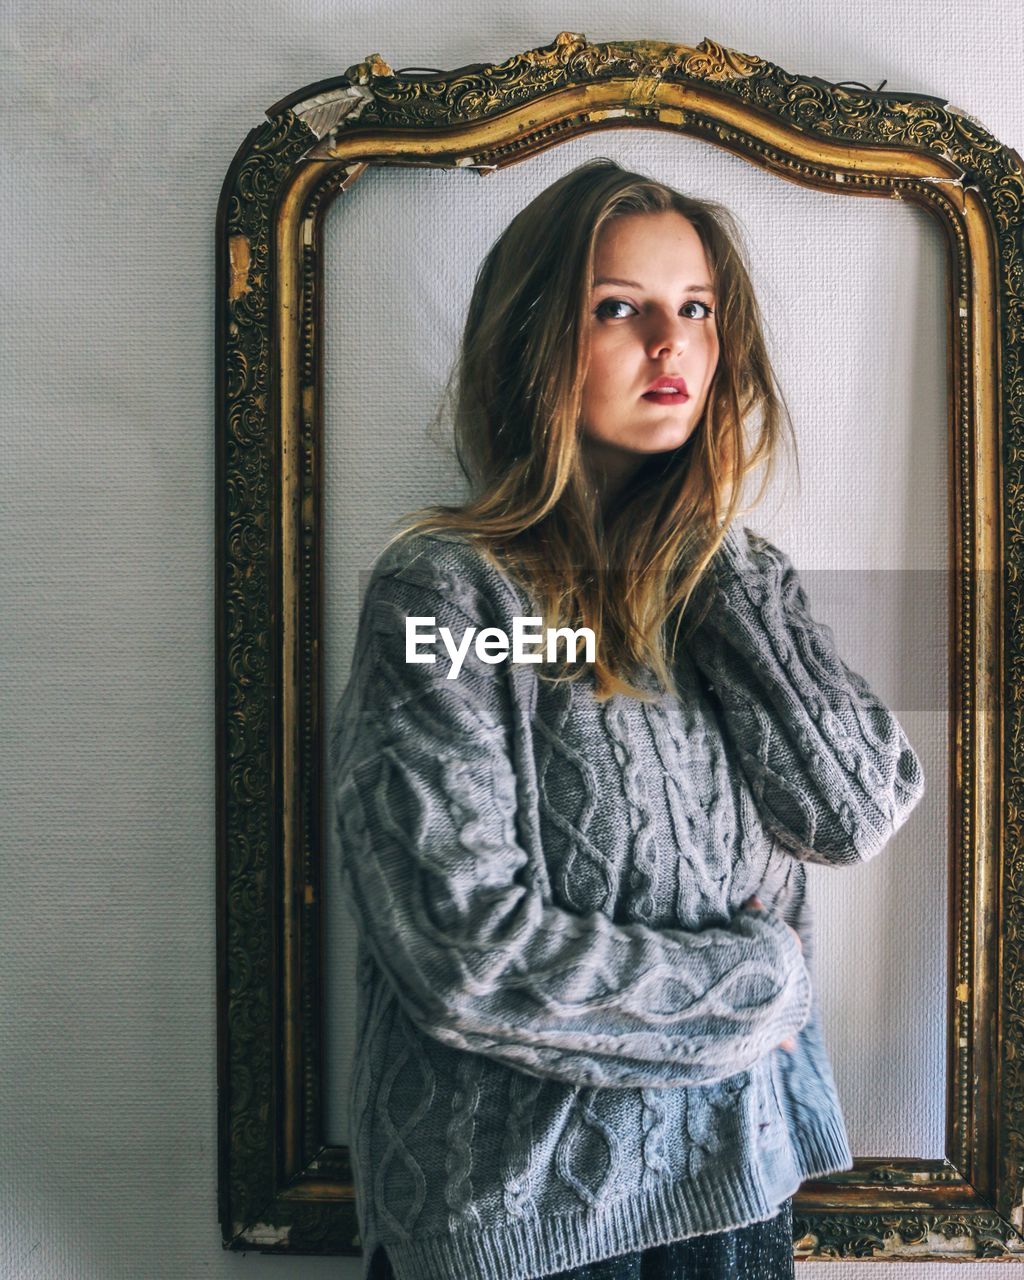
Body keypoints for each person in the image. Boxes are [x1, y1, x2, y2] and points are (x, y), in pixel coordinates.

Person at [327, 157, 925, 1280]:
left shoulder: (735, 586)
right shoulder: (453, 598)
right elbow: (464, 949)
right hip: (526, 1224)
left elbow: (850, 811)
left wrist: (715, 552)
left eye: (695, 309)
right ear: (532, 342)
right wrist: (751, 982)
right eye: (620, 308)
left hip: (735, 1200)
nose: (673, 344)